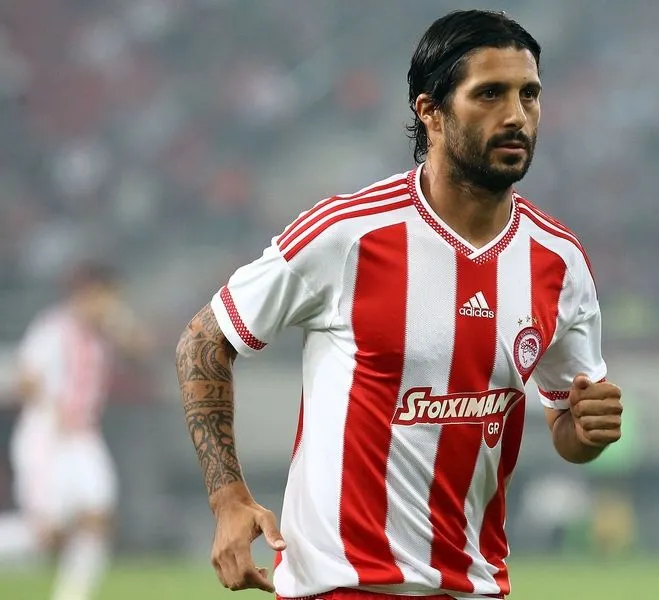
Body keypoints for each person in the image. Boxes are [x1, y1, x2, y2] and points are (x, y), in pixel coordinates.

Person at [175, 9, 623, 599]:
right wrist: (228, 498)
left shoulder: (558, 261)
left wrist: (587, 432)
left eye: (529, 94)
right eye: (489, 93)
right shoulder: (347, 234)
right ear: (430, 111)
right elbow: (203, 341)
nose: (516, 115)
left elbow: (567, 423)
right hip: (341, 586)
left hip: (474, 586)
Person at [0, 261, 150, 600]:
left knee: (98, 518)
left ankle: (71, 596)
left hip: (83, 437)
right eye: (107, 297)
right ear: (87, 294)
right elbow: (25, 377)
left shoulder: (104, 334)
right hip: (47, 437)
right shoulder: (53, 328)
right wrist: (53, 407)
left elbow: (141, 349)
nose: (110, 305)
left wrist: (120, 321)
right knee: (45, 535)